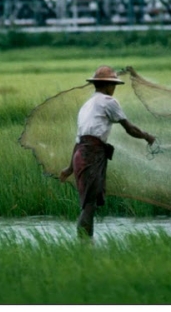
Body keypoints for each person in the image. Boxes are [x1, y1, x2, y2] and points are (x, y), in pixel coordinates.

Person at [59, 65, 156, 239]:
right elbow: (130, 129)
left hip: (81, 155)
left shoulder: (86, 105)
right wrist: (147, 137)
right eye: (113, 86)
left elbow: (79, 139)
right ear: (107, 85)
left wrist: (69, 168)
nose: (114, 89)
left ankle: (85, 244)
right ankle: (85, 245)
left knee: (89, 203)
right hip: (91, 155)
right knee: (88, 205)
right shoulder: (108, 102)